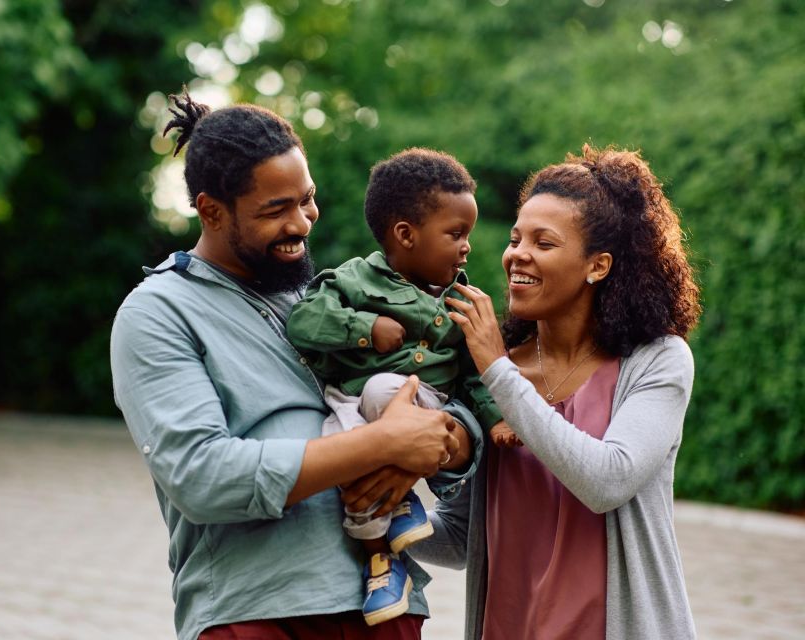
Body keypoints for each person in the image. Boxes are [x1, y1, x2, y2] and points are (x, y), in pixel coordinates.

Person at [109, 89, 484, 640]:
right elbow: (202, 477)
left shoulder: (322, 295)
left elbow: (447, 398)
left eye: (306, 199)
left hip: (387, 604)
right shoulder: (157, 314)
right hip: (258, 614)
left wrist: (445, 440)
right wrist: (381, 445)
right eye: (275, 210)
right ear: (210, 210)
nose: (303, 223)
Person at [404, 144, 702, 639]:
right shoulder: (487, 373)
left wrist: (498, 369)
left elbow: (606, 480)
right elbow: (461, 536)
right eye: (516, 237)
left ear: (598, 266)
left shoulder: (657, 361)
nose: (517, 253)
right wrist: (374, 519)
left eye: (543, 243)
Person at [286, 148, 502, 626]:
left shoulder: (460, 301)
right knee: (341, 460)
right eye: (456, 234)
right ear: (406, 235)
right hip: (350, 403)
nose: (467, 246)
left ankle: (398, 515)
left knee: (386, 389)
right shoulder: (353, 279)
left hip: (422, 403)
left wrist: (497, 418)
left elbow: (474, 375)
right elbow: (305, 321)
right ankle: (383, 565)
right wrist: (365, 328)